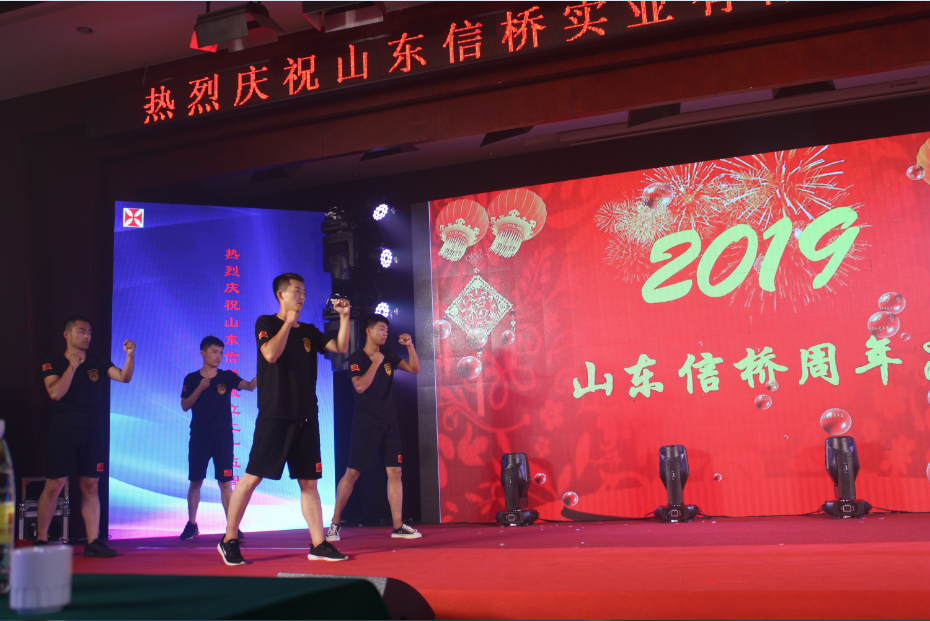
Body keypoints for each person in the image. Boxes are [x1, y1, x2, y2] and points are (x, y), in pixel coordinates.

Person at [218, 273, 350, 566]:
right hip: (275, 414)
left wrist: (344, 318)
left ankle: (318, 544)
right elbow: (270, 354)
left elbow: (340, 347)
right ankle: (229, 538)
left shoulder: (310, 331)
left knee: (309, 483)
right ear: (281, 294)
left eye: (304, 291)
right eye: (296, 291)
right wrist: (288, 323)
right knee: (252, 477)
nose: (302, 296)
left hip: (306, 416)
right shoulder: (266, 323)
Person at [37, 315, 135, 557]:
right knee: (55, 484)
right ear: (67, 334)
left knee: (91, 485)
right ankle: (41, 539)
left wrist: (130, 356)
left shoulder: (98, 362)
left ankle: (93, 542)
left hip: (92, 431)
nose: (87, 336)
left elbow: (124, 377)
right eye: (82, 331)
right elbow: (55, 393)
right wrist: (72, 367)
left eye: (89, 332)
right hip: (63, 430)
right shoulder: (52, 363)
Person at [327, 313, 421, 542]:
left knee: (395, 472)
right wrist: (376, 363)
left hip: (389, 422)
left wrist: (410, 346)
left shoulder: (387, 355)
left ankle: (398, 526)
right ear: (368, 331)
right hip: (365, 423)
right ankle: (335, 523)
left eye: (387, 330)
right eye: (381, 329)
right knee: (352, 474)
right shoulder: (357, 357)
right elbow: (360, 386)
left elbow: (414, 368)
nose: (385, 333)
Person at [179, 336, 256, 540]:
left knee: (225, 483)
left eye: (221, 353)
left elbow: (249, 386)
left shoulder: (227, 376)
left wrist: (266, 368)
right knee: (196, 481)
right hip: (199, 438)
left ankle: (232, 526)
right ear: (202, 353)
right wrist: (200, 388)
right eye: (214, 352)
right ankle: (192, 524)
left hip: (223, 438)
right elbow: (185, 405)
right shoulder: (191, 379)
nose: (218, 356)